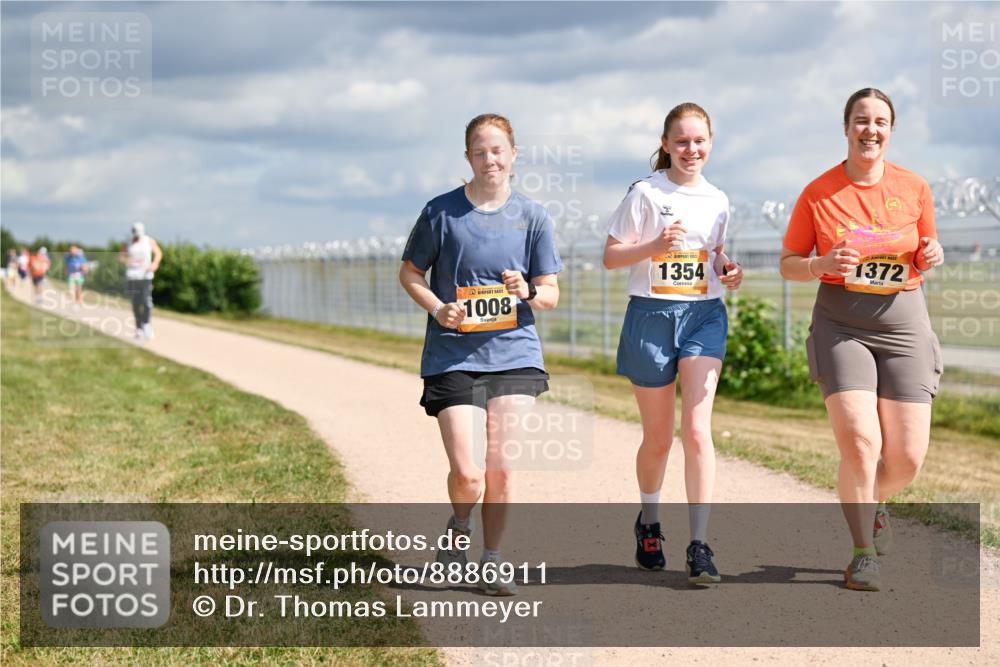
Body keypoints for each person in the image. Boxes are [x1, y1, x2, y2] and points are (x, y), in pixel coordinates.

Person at [780, 88, 944, 592]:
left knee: (908, 458)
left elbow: (925, 249)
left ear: (890, 130)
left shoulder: (914, 187)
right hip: (841, 324)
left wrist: (930, 254)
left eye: (880, 121)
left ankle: (873, 504)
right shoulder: (818, 193)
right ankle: (862, 555)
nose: (870, 129)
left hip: (903, 323)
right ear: (846, 127)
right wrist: (821, 265)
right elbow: (788, 264)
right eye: (861, 120)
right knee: (860, 442)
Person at [399, 113, 562, 596]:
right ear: (467, 157)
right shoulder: (441, 212)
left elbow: (550, 294)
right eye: (479, 151)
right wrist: (438, 308)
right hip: (453, 356)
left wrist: (526, 290)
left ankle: (492, 561)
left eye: (497, 150)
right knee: (469, 474)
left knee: (502, 466)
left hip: (515, 354)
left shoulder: (533, 216)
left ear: (513, 154)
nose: (489, 159)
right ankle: (458, 530)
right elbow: (410, 273)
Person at [603, 103, 742, 584]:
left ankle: (700, 545)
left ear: (711, 142)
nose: (691, 150)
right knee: (659, 439)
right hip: (651, 316)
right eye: (681, 141)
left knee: (698, 431)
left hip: (704, 316)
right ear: (665, 144)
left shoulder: (718, 199)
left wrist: (729, 269)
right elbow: (611, 256)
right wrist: (652, 248)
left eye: (699, 140)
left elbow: (716, 254)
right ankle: (649, 520)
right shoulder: (645, 193)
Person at [118, 222, 162, 340]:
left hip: (146, 275)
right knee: (136, 303)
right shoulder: (128, 242)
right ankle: (138, 328)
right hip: (132, 276)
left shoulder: (149, 241)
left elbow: (158, 253)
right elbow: (120, 256)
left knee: (146, 301)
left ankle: (146, 324)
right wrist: (127, 261)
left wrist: (155, 264)